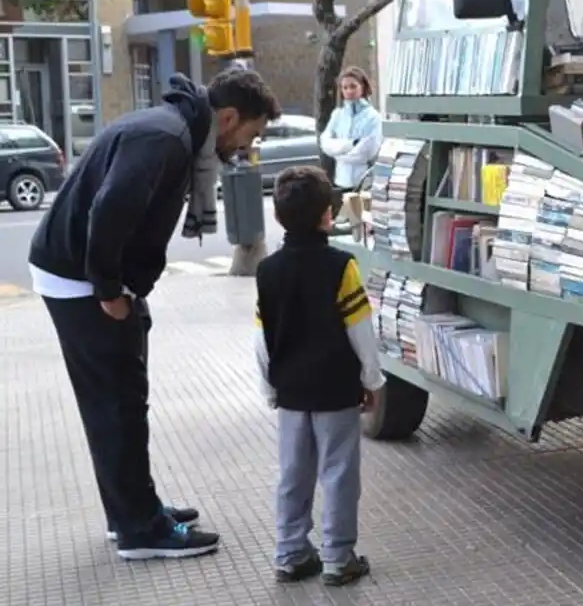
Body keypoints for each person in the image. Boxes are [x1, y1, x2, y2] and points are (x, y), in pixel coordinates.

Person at [27, 68, 281, 560]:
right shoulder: (164, 139)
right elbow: (111, 209)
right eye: (250, 134)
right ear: (227, 117)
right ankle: (140, 530)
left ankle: (132, 511)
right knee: (117, 404)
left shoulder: (172, 130)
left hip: (80, 274)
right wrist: (108, 291)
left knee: (119, 401)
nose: (247, 147)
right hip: (82, 280)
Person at [252, 165, 385, 586]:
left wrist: (270, 388)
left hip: (291, 391)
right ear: (329, 216)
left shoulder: (267, 271)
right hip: (335, 389)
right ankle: (337, 557)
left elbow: (262, 339)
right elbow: (359, 328)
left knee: (293, 474)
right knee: (339, 472)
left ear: (277, 217)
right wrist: (372, 379)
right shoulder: (341, 266)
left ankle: (290, 554)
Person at [319, 66, 382, 221]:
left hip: (363, 182)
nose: (349, 91)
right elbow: (325, 142)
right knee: (342, 225)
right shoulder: (338, 114)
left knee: (360, 224)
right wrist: (350, 144)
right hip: (340, 180)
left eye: (353, 86)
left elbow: (365, 152)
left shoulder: (373, 117)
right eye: (345, 87)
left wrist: (338, 153)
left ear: (363, 87)